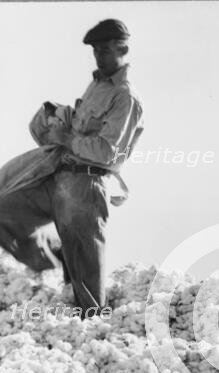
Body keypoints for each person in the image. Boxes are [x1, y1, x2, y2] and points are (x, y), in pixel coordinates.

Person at [0, 19, 144, 316]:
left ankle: (93, 336)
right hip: (56, 176)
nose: (99, 56)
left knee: (88, 294)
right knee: (3, 209)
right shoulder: (96, 86)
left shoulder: (125, 97)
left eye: (105, 50)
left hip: (85, 187)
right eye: (95, 50)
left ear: (123, 49)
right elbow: (81, 129)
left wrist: (68, 137)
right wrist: (59, 118)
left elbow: (107, 151)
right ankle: (54, 256)